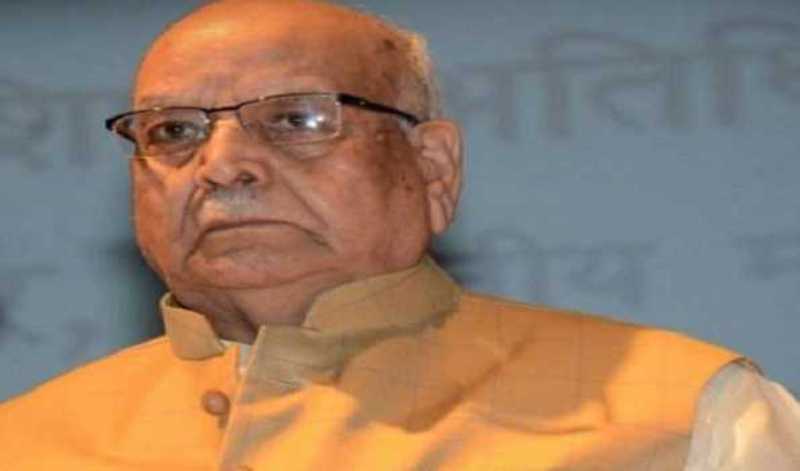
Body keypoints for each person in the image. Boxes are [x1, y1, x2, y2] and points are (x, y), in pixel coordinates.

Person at [2, 0, 798, 469]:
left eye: (297, 119)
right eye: (174, 131)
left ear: (432, 167)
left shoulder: (691, 412)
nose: (223, 164)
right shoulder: (24, 439)